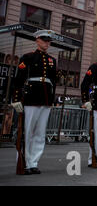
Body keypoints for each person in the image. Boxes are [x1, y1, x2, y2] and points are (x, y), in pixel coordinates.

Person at [11, 30, 57, 175]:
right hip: (31, 97)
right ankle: (23, 161)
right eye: (44, 40)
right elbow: (18, 79)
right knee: (28, 131)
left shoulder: (52, 60)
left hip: (45, 99)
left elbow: (53, 82)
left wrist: (52, 99)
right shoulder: (28, 57)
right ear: (37, 40)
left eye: (48, 41)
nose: (47, 43)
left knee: (40, 133)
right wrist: (16, 99)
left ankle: (33, 162)